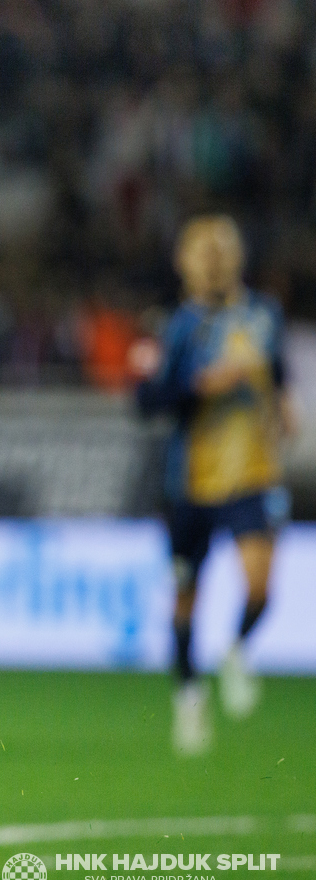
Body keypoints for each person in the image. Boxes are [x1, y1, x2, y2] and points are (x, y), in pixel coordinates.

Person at [133, 214, 298, 756]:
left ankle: (236, 648)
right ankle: (188, 695)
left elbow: (276, 372)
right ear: (186, 261)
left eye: (219, 250)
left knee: (260, 586)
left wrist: (287, 408)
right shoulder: (177, 326)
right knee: (185, 595)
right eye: (201, 251)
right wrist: (197, 386)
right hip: (191, 484)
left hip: (252, 473)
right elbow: (147, 402)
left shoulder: (263, 315)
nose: (212, 260)